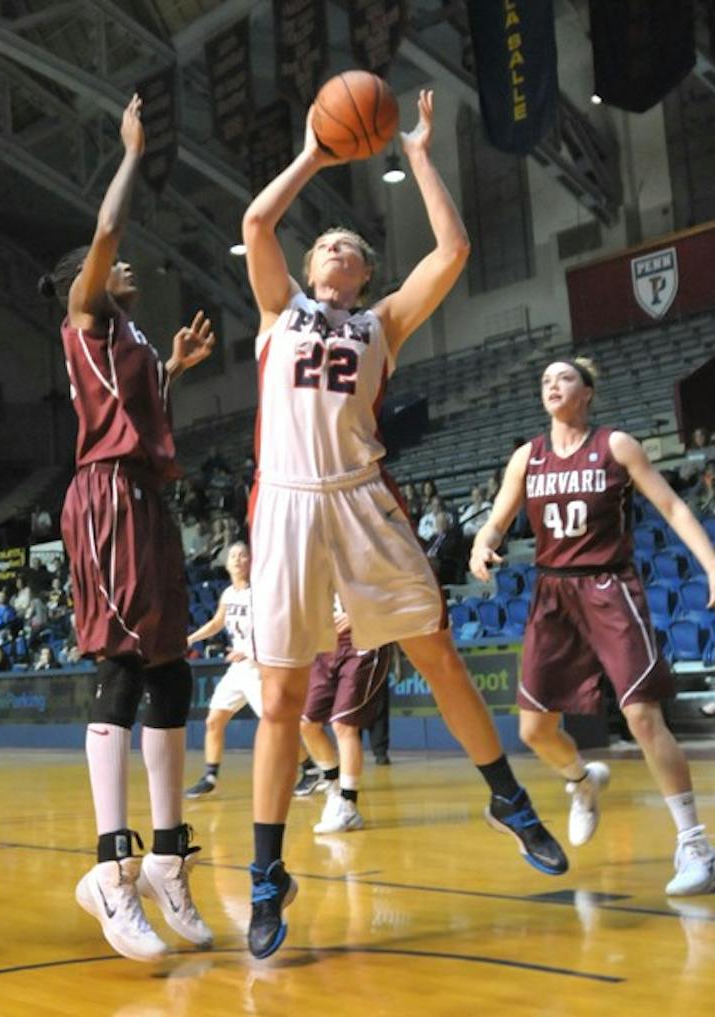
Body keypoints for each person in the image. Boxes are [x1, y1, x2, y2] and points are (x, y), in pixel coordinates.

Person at [239, 88, 566, 959]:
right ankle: (268, 874)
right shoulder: (279, 315)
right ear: (312, 270)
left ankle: (506, 796)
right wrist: (315, 149)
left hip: (360, 495)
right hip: (286, 501)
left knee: (436, 649)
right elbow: (258, 221)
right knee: (277, 700)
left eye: (354, 244)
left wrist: (419, 151)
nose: (341, 246)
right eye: (330, 243)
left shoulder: (382, 323)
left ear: (365, 276)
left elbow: (453, 249)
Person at [43, 93, 215, 963]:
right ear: (91, 275)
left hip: (145, 495)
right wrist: (131, 155)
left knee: (173, 674)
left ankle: (168, 859)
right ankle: (113, 869)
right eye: (115, 263)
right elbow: (106, 232)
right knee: (118, 666)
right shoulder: (86, 312)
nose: (128, 264)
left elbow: (135, 415)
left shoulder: (133, 339)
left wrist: (174, 369)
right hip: (106, 497)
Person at [470, 357, 715, 895]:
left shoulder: (616, 446)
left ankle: (695, 845)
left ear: (587, 392)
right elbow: (497, 519)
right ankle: (582, 782)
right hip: (552, 592)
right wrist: (482, 543)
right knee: (534, 729)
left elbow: (673, 508)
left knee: (642, 717)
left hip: (608, 586)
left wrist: (712, 564)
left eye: (563, 378)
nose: (552, 385)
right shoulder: (526, 457)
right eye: (545, 381)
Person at [300, 600, 390, 834]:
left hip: (364, 640)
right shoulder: (312, 567)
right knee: (306, 724)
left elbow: (393, 593)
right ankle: (333, 788)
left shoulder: (369, 563)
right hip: (325, 646)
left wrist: (362, 612)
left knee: (344, 725)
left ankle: (348, 806)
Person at [183, 542, 260, 798]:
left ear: (251, 561)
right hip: (238, 669)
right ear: (226, 565)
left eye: (243, 555)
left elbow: (273, 628)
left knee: (274, 724)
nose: (238, 560)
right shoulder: (228, 594)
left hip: (258, 666)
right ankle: (210, 776)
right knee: (214, 721)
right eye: (233, 556)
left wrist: (249, 651)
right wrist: (191, 639)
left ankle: (308, 768)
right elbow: (218, 622)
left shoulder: (260, 592)